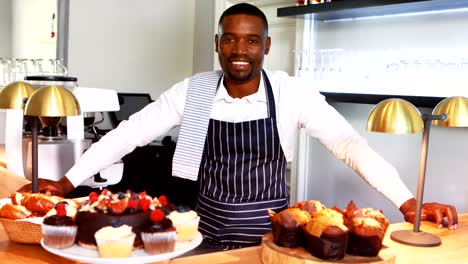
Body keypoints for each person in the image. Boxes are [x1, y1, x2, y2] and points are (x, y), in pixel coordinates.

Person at [19, 3, 457, 250]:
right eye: (229, 38)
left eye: (250, 40)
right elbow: (127, 133)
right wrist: (66, 181)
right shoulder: (194, 91)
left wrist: (408, 201)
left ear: (266, 45)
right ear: (217, 44)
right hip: (203, 238)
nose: (239, 49)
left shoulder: (289, 92)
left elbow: (348, 143)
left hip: (274, 243)